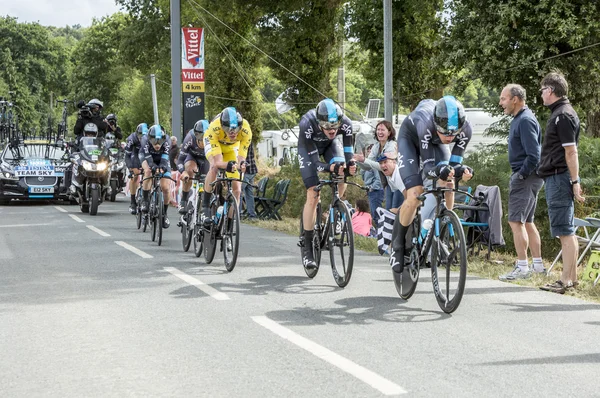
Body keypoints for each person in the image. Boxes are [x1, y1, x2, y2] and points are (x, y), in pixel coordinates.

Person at [388, 96, 474, 273]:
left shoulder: (465, 129)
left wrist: (462, 170)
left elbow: (454, 164)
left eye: (453, 134)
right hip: (410, 139)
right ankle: (397, 246)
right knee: (415, 193)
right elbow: (428, 169)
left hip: (434, 143)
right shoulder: (425, 123)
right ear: (437, 123)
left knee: (449, 182)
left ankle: (442, 226)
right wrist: (442, 170)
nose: (450, 138)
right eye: (445, 132)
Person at [537, 72, 584, 294]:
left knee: (565, 231)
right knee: (568, 230)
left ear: (551, 91)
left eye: (542, 91)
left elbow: (571, 151)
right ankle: (572, 279)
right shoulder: (561, 112)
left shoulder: (562, 115)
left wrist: (575, 181)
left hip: (559, 176)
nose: (541, 95)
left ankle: (564, 280)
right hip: (557, 175)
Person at [298, 98, 357, 269]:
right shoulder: (307, 124)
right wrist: (330, 167)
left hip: (330, 146)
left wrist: (350, 165)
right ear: (319, 122)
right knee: (313, 193)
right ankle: (308, 246)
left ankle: (335, 209)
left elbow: (348, 153)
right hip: (309, 150)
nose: (332, 130)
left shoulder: (346, 123)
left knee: (342, 171)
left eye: (335, 126)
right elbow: (316, 163)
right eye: (327, 127)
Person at [497, 84, 545, 281]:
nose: (501, 103)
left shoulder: (525, 120)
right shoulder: (521, 118)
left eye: (503, 99)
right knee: (528, 221)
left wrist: (521, 174)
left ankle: (523, 267)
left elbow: (534, 154)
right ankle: (539, 266)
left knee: (515, 221)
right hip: (531, 177)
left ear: (515, 99)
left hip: (526, 177)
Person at [201, 107, 252, 225]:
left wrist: (241, 165)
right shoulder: (214, 127)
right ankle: (205, 206)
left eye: (235, 129)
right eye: (227, 128)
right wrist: (228, 165)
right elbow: (218, 162)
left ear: (240, 125)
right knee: (214, 167)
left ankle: (229, 225)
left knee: (238, 190)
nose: (232, 132)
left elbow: (241, 158)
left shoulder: (246, 130)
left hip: (230, 148)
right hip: (215, 142)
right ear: (221, 125)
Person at [353, 120, 401, 211]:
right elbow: (368, 166)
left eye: (382, 130)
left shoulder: (392, 145)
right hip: (389, 184)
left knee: (395, 213)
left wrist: (364, 160)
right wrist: (358, 160)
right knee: (389, 213)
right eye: (378, 130)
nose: (379, 132)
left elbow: (384, 167)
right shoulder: (376, 146)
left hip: (399, 182)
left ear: (389, 132)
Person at [139, 124, 172, 229]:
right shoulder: (144, 140)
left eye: (160, 142)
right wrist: (153, 166)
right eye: (154, 142)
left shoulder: (167, 140)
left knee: (166, 187)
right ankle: (145, 200)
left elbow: (165, 159)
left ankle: (164, 213)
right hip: (147, 156)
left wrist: (163, 167)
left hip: (161, 157)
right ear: (150, 139)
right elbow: (148, 159)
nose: (157, 145)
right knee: (148, 171)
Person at [177, 119, 210, 214]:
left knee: (209, 178)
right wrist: (183, 171)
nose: (203, 142)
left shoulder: (213, 139)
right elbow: (180, 160)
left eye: (206, 139)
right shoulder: (190, 138)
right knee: (190, 171)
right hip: (192, 157)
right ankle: (183, 201)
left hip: (206, 159)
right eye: (201, 139)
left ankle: (206, 205)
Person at [124, 123, 148, 214]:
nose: (141, 137)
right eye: (140, 135)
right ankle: (133, 202)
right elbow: (127, 156)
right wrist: (130, 167)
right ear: (136, 133)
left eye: (143, 136)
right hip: (135, 154)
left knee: (149, 173)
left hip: (145, 155)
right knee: (135, 176)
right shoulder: (132, 139)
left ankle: (148, 197)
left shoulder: (149, 139)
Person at [358, 144, 384, 223]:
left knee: (376, 214)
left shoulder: (375, 164)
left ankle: (380, 233)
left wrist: (371, 188)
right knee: (373, 213)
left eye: (371, 151)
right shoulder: (367, 165)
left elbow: (378, 180)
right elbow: (363, 175)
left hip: (376, 191)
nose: (369, 153)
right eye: (368, 151)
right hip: (370, 191)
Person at [241, 142, 258, 220]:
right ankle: (252, 214)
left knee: (239, 192)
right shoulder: (249, 139)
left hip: (246, 171)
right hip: (252, 169)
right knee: (249, 193)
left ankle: (238, 213)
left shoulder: (243, 141)